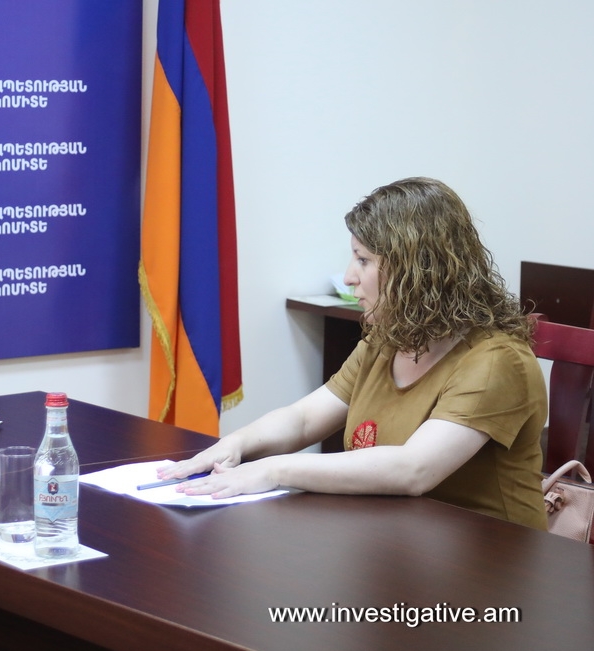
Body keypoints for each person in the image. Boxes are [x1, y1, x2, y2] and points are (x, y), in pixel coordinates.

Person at [159, 177, 548, 530]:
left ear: (417, 270)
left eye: (363, 260)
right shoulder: (390, 339)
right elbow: (303, 420)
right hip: (397, 542)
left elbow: (414, 470)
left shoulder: (497, 360)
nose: (348, 276)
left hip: (491, 562)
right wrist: (236, 445)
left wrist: (273, 470)